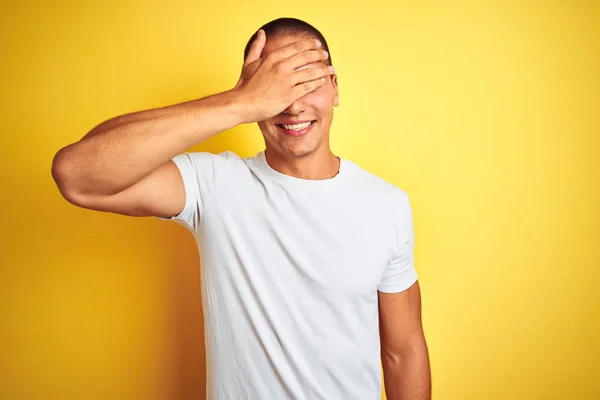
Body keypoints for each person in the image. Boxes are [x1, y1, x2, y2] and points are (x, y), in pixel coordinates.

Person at [51, 17, 431, 400]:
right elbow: (77, 175)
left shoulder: (387, 204)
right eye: (277, 87)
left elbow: (404, 351)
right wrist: (240, 102)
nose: (294, 105)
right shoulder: (213, 183)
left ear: (334, 88)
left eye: (307, 81)